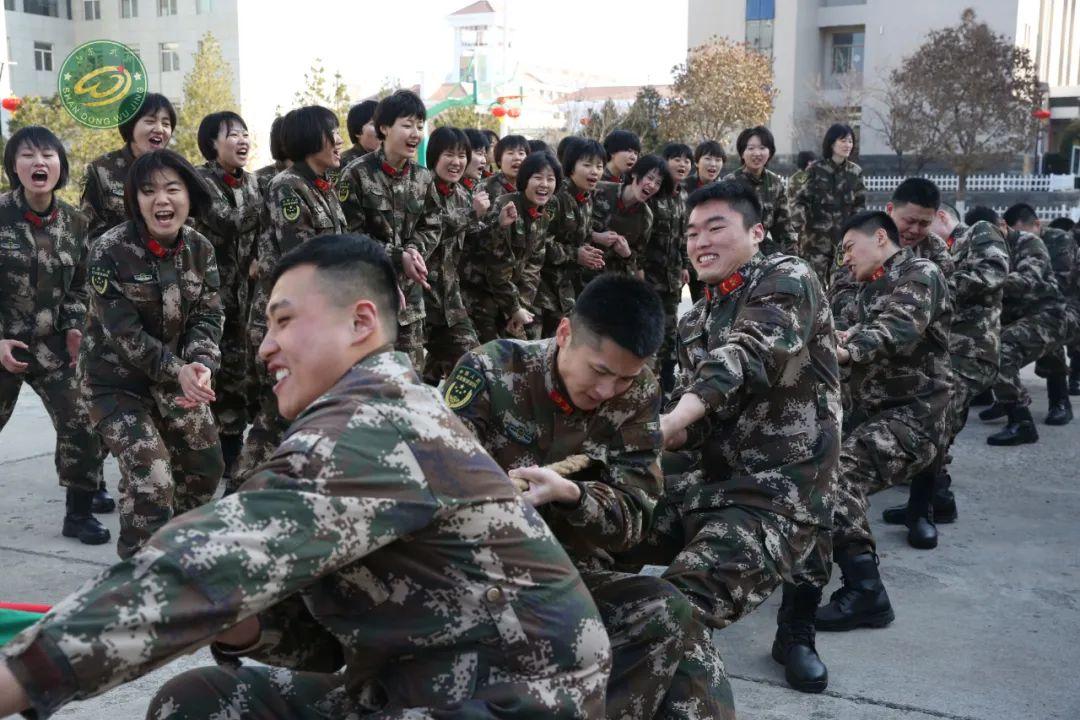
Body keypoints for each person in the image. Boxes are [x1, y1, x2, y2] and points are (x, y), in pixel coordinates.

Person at [0, 234, 611, 720]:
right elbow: (331, 635)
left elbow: (204, 560)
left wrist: (19, 676)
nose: (266, 346)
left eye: (284, 321)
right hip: (423, 682)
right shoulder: (376, 408)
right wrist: (244, 622)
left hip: (500, 703)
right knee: (205, 701)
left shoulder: (377, 425)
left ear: (360, 323)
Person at [448, 273, 733, 719]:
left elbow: (634, 519)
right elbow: (435, 492)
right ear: (564, 334)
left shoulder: (638, 395)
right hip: (480, 581)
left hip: (570, 579)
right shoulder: (489, 372)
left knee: (674, 619)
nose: (605, 392)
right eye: (599, 371)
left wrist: (573, 495)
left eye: (623, 379)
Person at [615, 180, 840, 695]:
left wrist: (672, 422)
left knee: (670, 608)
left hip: (780, 493)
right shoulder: (696, 317)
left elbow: (744, 354)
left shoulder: (790, 277)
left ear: (757, 232)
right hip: (712, 481)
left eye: (716, 227)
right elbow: (688, 414)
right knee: (600, 520)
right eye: (691, 232)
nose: (700, 242)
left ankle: (795, 634)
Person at [81, 149, 225, 559]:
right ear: (135, 201)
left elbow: (208, 314)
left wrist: (201, 363)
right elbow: (123, 333)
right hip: (115, 385)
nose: (161, 200)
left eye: (172, 189)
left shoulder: (201, 249)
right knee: (153, 481)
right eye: (148, 191)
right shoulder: (109, 251)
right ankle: (136, 574)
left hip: (178, 380)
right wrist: (178, 369)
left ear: (189, 195)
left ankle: (174, 554)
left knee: (205, 468)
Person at [816, 211, 951, 631]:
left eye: (849, 248)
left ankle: (866, 591)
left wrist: (847, 347)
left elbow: (896, 327)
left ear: (879, 238)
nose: (845, 259)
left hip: (916, 417)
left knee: (835, 478)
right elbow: (850, 329)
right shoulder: (861, 285)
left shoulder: (920, 273)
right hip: (870, 415)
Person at [0, 126, 110, 546]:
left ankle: (79, 514)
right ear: (14, 165)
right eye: (27, 155)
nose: (38, 162)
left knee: (81, 419)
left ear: (60, 165)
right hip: (3, 342)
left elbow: (80, 284)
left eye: (47, 154)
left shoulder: (75, 223)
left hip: (50, 345)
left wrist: (74, 327)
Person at [882, 206, 1009, 539]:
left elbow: (993, 272)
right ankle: (936, 499)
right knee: (931, 421)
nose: (917, 232)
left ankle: (923, 511)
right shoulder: (933, 254)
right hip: (944, 354)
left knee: (936, 422)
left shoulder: (977, 232)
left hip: (971, 352)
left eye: (924, 223)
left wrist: (929, 286)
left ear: (939, 216)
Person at [239, 105, 346, 483]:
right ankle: (239, 498)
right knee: (274, 417)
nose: (339, 140)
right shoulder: (288, 185)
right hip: (282, 325)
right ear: (307, 140)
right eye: (330, 132)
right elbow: (304, 256)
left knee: (290, 416)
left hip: (307, 321)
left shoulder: (323, 188)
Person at [338, 89, 438, 371]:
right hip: (369, 297)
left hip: (410, 305)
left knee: (410, 381)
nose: (415, 133)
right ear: (384, 128)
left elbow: (432, 223)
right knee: (370, 381)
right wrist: (396, 256)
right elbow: (350, 236)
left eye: (419, 126)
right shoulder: (356, 174)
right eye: (406, 125)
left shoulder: (423, 177)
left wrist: (414, 251)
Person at [193, 111, 264, 480]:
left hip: (244, 302)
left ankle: (230, 457)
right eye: (232, 134)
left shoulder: (253, 183)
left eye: (245, 134)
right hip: (205, 302)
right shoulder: (198, 181)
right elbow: (229, 221)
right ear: (211, 144)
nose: (242, 141)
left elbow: (262, 234)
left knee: (237, 381)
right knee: (207, 377)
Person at [980, 204, 1074, 440]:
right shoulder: (990, 248)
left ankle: (1055, 403)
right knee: (984, 341)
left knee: (1016, 344)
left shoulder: (1037, 242)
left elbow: (1038, 279)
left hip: (1057, 308)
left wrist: (984, 280)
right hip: (1020, 310)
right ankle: (1007, 396)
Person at [463, 151, 560, 342]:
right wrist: (514, 309)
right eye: (538, 178)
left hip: (509, 296)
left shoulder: (547, 209)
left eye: (551, 179)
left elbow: (534, 266)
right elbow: (496, 266)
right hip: (482, 294)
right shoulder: (505, 205)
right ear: (524, 180)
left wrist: (519, 307)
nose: (544, 184)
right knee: (490, 354)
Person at [420, 127, 486, 383]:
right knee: (408, 379)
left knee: (474, 365)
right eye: (449, 154)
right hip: (419, 300)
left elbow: (471, 240)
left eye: (462, 156)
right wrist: (472, 214)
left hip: (449, 301)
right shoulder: (420, 187)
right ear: (434, 156)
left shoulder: (461, 194)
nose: (457, 162)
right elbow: (433, 227)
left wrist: (498, 223)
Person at [81, 92, 177, 243]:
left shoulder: (176, 170)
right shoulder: (100, 170)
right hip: (116, 262)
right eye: (150, 121)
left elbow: (187, 227)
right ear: (130, 124)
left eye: (166, 124)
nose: (159, 129)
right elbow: (89, 233)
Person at [534, 138, 605, 336]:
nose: (594, 171)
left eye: (599, 166)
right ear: (571, 166)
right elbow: (538, 243)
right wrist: (576, 254)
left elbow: (577, 236)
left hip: (566, 289)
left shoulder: (586, 198)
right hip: (541, 290)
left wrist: (587, 249)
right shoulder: (556, 197)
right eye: (587, 165)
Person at [790, 123, 866, 289]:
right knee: (813, 285)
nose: (848, 145)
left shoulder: (855, 172)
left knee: (842, 286)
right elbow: (799, 201)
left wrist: (858, 234)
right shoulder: (815, 170)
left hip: (843, 242)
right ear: (832, 143)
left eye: (850, 141)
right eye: (843, 141)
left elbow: (860, 206)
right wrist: (797, 229)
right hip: (816, 241)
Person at [647, 142, 693, 394]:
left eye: (687, 160)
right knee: (651, 332)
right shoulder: (653, 193)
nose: (682, 164)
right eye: (676, 159)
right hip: (650, 277)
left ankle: (666, 386)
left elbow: (683, 236)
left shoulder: (683, 195)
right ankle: (648, 387)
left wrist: (685, 265)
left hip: (673, 278)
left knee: (670, 331)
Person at [588, 154, 670, 279]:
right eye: (650, 178)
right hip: (580, 275)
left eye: (658, 183)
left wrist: (627, 254)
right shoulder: (598, 191)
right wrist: (594, 236)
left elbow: (638, 260)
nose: (652, 185)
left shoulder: (646, 218)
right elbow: (568, 228)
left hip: (610, 281)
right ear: (635, 174)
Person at [725, 126, 793, 255]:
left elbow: (784, 227)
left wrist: (792, 258)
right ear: (742, 153)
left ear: (770, 152)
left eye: (762, 148)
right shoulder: (730, 182)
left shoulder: (775, 183)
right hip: (735, 254)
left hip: (763, 256)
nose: (757, 153)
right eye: (751, 148)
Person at [483, 134, 529, 199]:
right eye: (510, 153)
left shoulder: (532, 184)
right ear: (499, 160)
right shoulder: (486, 186)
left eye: (521, 153)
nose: (517, 158)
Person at [340, 99, 379, 166]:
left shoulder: (391, 159)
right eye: (373, 124)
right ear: (357, 132)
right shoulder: (342, 163)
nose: (382, 129)